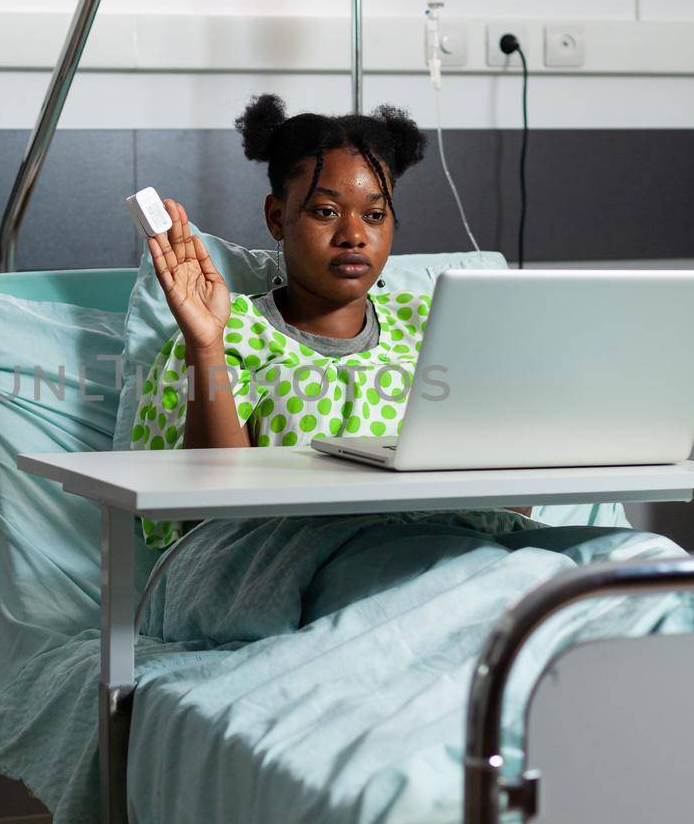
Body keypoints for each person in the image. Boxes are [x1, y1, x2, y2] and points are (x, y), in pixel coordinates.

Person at [130, 94, 488, 546]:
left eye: (375, 215)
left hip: (438, 553)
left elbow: (506, 506)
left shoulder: (435, 330)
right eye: (326, 212)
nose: (354, 236)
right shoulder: (229, 334)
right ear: (277, 217)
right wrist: (205, 346)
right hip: (283, 563)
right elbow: (211, 524)